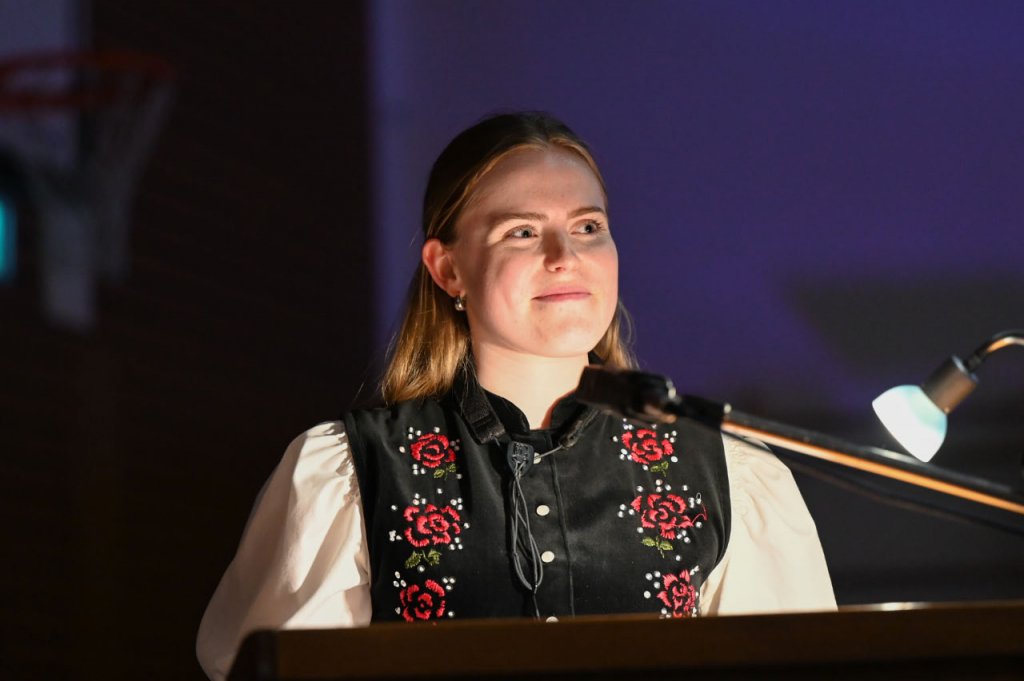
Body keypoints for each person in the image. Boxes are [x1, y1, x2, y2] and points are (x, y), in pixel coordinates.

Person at [196, 112, 835, 680]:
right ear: (448, 268)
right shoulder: (356, 470)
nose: (565, 256)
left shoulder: (725, 472)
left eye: (588, 226)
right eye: (522, 232)